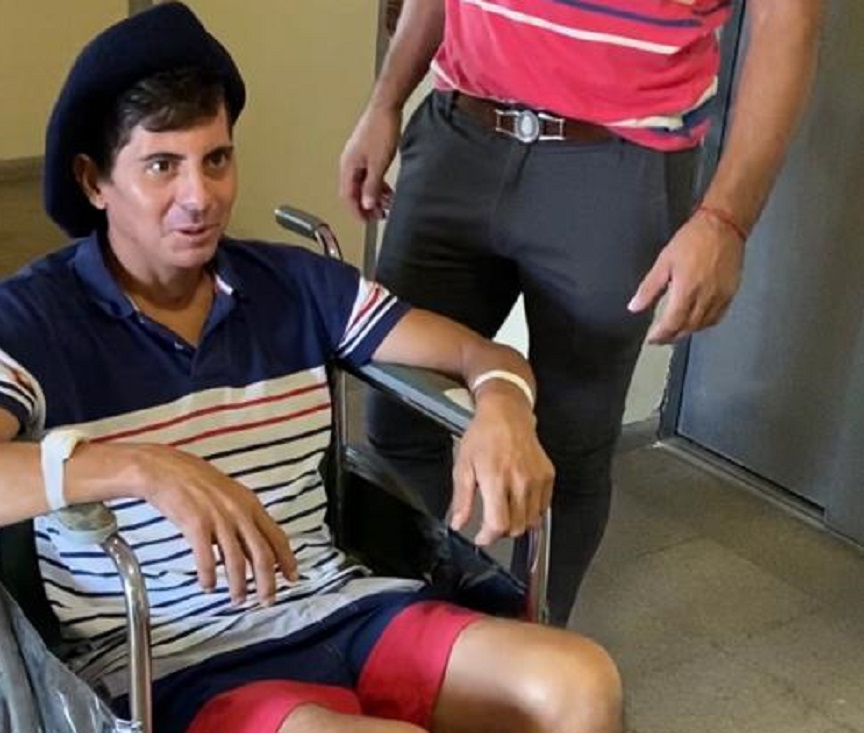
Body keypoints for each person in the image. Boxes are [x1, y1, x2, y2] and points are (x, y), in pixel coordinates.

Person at [0, 5, 622, 733]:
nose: (199, 198)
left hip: (344, 608)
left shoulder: (296, 287)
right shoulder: (26, 319)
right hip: (180, 662)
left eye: (216, 159)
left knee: (580, 682)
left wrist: (503, 406)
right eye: (162, 166)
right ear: (93, 181)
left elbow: (477, 353)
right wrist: (139, 468)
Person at [339, 0, 824, 627]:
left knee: (569, 449)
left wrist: (725, 220)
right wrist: (384, 101)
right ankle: (422, 625)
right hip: (458, 133)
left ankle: (530, 645)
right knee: (398, 413)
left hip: (617, 163)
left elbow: (788, 23)